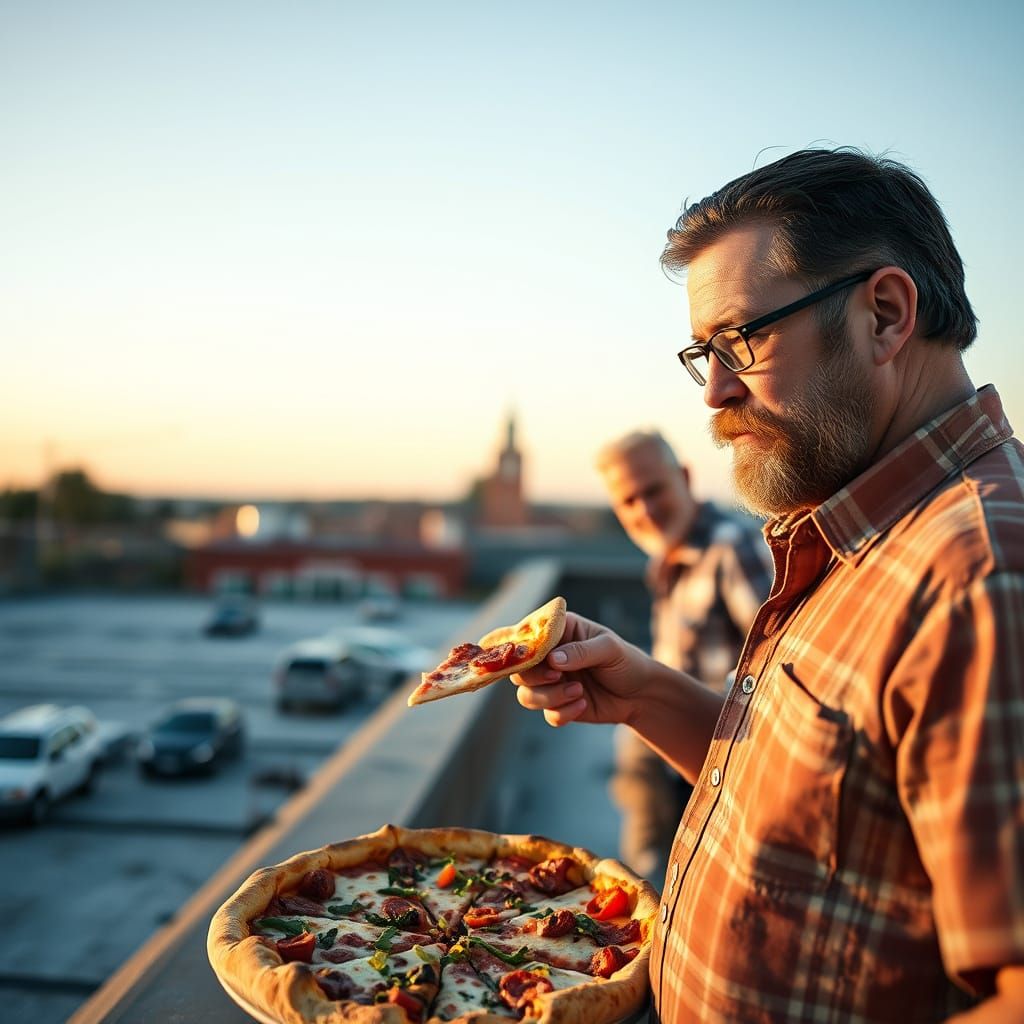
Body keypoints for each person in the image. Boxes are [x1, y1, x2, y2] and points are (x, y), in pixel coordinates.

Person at [513, 149, 1024, 1022]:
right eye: (700, 353)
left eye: (740, 340)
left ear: (887, 316)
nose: (713, 392)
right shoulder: (859, 528)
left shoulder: (981, 576)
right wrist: (646, 695)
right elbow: (832, 809)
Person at [595, 429, 771, 882]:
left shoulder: (730, 545)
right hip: (663, 771)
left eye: (653, 490)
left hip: (711, 773)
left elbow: (778, 666)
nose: (645, 510)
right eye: (628, 501)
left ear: (686, 477)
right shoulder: (670, 556)